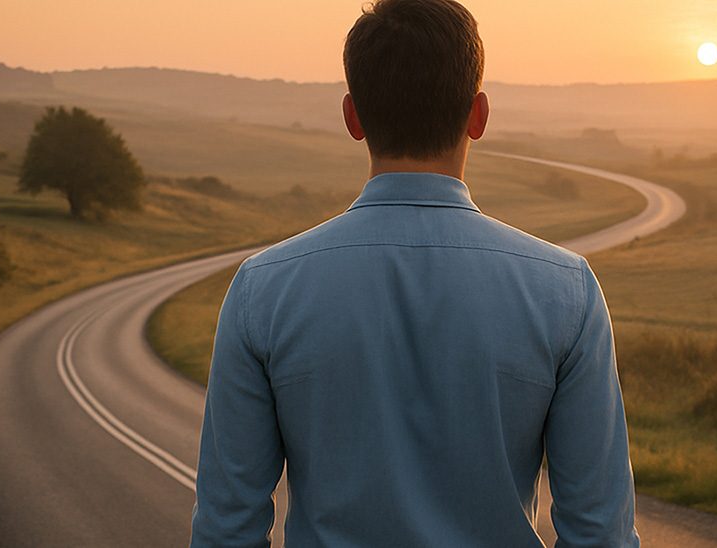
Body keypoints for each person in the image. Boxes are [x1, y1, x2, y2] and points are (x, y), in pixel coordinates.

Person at [189, 0, 639, 546]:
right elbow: (600, 535)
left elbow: (225, 530)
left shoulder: (262, 290)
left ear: (352, 117)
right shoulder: (567, 292)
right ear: (479, 115)